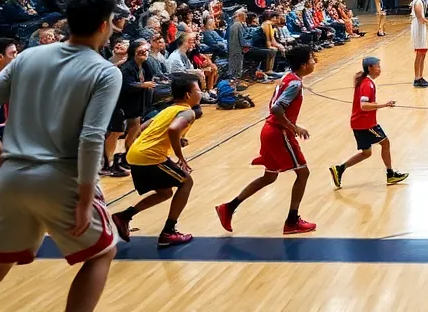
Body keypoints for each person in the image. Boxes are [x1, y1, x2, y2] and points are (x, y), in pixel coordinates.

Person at [0, 0, 124, 312]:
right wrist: (86, 200)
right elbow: (91, 139)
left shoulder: (29, 55)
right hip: (60, 179)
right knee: (103, 252)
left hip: (12, 178)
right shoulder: (105, 71)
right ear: (104, 25)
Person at [216, 46, 319, 235]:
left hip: (269, 130)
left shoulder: (290, 78)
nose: (314, 62)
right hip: (279, 133)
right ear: (304, 65)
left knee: (269, 176)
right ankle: (292, 221)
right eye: (312, 59)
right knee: (303, 174)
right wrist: (295, 127)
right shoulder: (294, 84)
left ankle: (228, 208)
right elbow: (277, 109)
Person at [111, 77, 200, 248]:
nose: (200, 93)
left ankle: (124, 216)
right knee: (186, 182)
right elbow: (173, 129)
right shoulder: (189, 112)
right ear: (189, 94)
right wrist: (180, 155)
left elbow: (143, 128)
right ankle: (168, 232)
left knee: (165, 192)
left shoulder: (168, 110)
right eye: (198, 90)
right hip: (148, 156)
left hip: (137, 154)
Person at [329, 57, 408, 188]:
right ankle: (390, 174)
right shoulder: (367, 84)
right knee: (385, 143)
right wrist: (384, 105)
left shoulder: (366, 81)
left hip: (359, 123)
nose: (379, 70)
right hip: (365, 123)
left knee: (367, 153)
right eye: (377, 66)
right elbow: (364, 106)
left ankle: (339, 169)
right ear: (369, 68)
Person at [409, 0, 428, 88]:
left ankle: (420, 76)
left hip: (421, 27)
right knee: (419, 53)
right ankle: (417, 78)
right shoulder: (417, 1)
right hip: (418, 28)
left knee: (423, 53)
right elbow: (419, 17)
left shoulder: (421, 1)